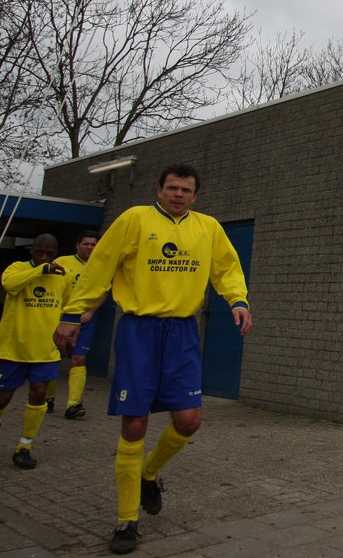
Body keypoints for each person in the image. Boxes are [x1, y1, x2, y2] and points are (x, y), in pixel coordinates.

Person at [54, 163, 252, 555]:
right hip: (139, 331)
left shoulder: (209, 228)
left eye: (186, 190)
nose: (179, 195)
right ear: (159, 190)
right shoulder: (134, 220)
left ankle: (149, 473)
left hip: (182, 333)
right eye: (173, 188)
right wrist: (72, 314)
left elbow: (226, 268)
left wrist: (237, 300)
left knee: (189, 420)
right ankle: (126, 520)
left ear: (195, 196)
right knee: (134, 424)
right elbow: (100, 267)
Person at [0, 234, 70, 469]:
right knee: (1, 399)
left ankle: (24, 447)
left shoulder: (63, 275)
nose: (44, 257)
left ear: (56, 253)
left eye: (49, 254)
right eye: (39, 252)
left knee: (38, 394)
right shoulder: (17, 269)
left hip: (45, 350)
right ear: (31, 251)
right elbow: (10, 285)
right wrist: (42, 270)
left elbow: (70, 305)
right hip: (13, 349)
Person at [50, 230, 108, 420]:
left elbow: (103, 292)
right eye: (86, 244)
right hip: (60, 318)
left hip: (84, 320)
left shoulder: (100, 266)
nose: (89, 247)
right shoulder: (62, 262)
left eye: (93, 244)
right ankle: (48, 397)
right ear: (77, 245)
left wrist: (90, 312)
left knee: (79, 358)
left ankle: (73, 404)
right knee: (53, 357)